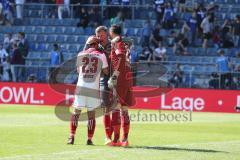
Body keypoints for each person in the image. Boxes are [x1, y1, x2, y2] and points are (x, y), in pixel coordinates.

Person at [67, 36, 109, 145]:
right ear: (95, 44)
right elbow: (106, 71)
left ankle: (71, 136)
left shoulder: (81, 54)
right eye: (98, 43)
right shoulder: (101, 55)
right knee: (91, 115)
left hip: (81, 86)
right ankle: (89, 139)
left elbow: (78, 70)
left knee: (76, 112)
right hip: (93, 89)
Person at [108, 25, 133, 147]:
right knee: (124, 109)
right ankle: (125, 139)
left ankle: (117, 140)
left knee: (116, 108)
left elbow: (121, 57)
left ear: (111, 32)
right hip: (128, 79)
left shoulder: (117, 41)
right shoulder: (126, 43)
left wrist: (115, 75)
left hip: (121, 79)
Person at [94, 26, 114, 145]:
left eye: (101, 35)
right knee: (106, 108)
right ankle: (108, 137)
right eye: (97, 36)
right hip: (103, 78)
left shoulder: (114, 45)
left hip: (116, 78)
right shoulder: (94, 46)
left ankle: (118, 136)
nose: (99, 38)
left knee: (117, 108)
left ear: (107, 34)